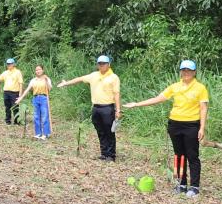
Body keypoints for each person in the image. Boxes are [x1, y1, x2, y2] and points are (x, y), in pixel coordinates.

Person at [123, 60, 209, 195]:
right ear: (181, 72)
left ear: (194, 72)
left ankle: (194, 187)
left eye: (189, 70)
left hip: (192, 125)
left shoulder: (200, 88)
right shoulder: (174, 86)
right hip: (175, 124)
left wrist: (202, 127)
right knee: (179, 155)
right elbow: (158, 98)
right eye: (183, 70)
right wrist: (137, 104)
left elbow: (203, 108)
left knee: (192, 155)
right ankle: (181, 184)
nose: (186, 73)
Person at [57, 55, 121, 161]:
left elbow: (117, 94)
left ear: (108, 64)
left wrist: (118, 110)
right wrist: (66, 83)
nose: (101, 66)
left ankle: (111, 155)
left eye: (104, 64)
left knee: (109, 131)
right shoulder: (94, 75)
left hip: (108, 108)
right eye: (99, 64)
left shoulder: (114, 77)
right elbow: (80, 79)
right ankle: (104, 153)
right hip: (96, 107)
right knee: (100, 130)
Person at [16, 65, 53, 140]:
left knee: (45, 115)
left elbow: (49, 88)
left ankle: (46, 134)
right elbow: (27, 89)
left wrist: (46, 81)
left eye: (39, 69)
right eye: (36, 70)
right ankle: (38, 133)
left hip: (44, 98)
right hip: (36, 98)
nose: (38, 71)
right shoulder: (33, 80)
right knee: (36, 116)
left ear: (42, 70)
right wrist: (21, 98)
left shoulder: (46, 79)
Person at [0, 59, 24, 125]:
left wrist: (20, 94)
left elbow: (21, 83)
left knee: (15, 107)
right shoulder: (5, 72)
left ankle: (16, 121)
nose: (9, 65)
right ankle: (8, 121)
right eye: (8, 64)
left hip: (15, 93)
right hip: (6, 92)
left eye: (10, 64)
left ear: (13, 64)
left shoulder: (18, 72)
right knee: (7, 107)